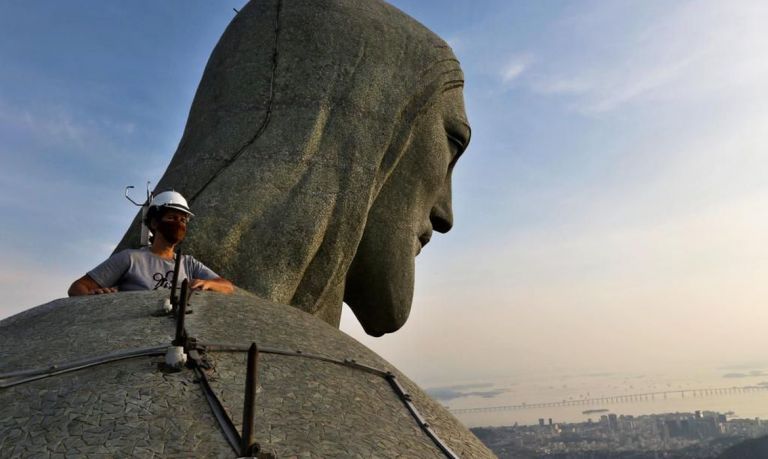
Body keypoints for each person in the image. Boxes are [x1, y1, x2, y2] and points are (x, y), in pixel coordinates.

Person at [68, 191, 234, 296]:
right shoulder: (131, 258)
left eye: (183, 220)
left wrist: (209, 283)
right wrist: (94, 298)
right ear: (154, 223)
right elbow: (78, 287)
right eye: (171, 218)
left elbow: (227, 287)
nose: (178, 224)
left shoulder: (188, 263)